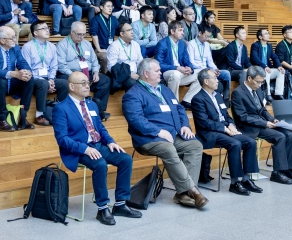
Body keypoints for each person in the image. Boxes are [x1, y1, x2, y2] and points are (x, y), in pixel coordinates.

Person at [52, 70, 140, 225]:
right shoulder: (61, 108)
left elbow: (100, 128)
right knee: (100, 165)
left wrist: (111, 142)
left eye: (88, 83)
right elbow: (62, 139)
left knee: (125, 159)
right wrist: (84, 149)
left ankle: (120, 204)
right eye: (83, 83)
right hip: (78, 150)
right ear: (71, 86)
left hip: (98, 144)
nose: (87, 86)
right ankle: (103, 208)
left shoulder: (92, 104)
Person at [122, 59, 208, 210]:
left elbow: (180, 109)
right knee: (168, 149)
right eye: (157, 71)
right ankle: (193, 191)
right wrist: (157, 131)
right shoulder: (133, 94)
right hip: (149, 139)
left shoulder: (164, 89)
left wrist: (185, 126)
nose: (160, 73)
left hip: (172, 136)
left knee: (195, 145)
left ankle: (182, 193)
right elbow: (136, 120)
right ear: (146, 74)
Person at [191, 69, 261, 195]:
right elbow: (204, 123)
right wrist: (225, 129)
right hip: (209, 134)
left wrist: (231, 125)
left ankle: (246, 179)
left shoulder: (217, 95)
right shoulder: (197, 99)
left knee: (250, 142)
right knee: (235, 144)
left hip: (225, 130)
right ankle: (234, 183)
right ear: (206, 81)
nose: (217, 80)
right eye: (214, 78)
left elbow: (226, 115)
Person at [230, 66, 292, 185]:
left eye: (262, 82)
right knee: (280, 137)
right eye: (258, 82)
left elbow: (262, 110)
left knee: (288, 134)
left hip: (262, 123)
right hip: (250, 127)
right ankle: (278, 172)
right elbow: (243, 117)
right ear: (249, 78)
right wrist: (264, 123)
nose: (260, 85)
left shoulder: (258, 89)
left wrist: (272, 119)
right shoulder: (238, 93)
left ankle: (288, 169)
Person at [57, 22, 112, 119]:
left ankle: (98, 110)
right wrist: (75, 76)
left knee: (105, 80)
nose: (81, 37)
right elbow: (61, 66)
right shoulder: (62, 45)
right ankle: (75, 112)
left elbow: (94, 61)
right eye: (79, 34)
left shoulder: (86, 44)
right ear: (71, 32)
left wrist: (96, 72)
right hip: (70, 74)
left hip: (87, 74)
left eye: (84, 34)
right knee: (68, 82)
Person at [21, 21, 69, 126]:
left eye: (47, 28)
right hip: (33, 79)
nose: (47, 30)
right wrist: (46, 81)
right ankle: (39, 115)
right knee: (43, 84)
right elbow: (27, 69)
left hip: (48, 78)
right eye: (43, 28)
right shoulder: (27, 47)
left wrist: (51, 79)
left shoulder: (52, 46)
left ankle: (58, 111)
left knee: (65, 83)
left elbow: (54, 66)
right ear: (35, 33)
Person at [155, 20, 199, 102]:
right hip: (167, 72)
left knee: (202, 73)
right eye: (180, 30)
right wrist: (177, 68)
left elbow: (187, 60)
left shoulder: (182, 44)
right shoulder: (162, 43)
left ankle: (187, 101)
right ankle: (173, 102)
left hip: (181, 73)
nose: (183, 33)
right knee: (175, 74)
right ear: (172, 31)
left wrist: (189, 68)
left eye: (183, 30)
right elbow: (159, 65)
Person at [187, 26, 231, 99]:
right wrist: (207, 70)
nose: (207, 39)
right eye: (206, 36)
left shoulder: (207, 45)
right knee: (212, 77)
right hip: (198, 70)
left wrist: (216, 69)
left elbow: (210, 62)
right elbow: (191, 62)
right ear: (200, 33)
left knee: (226, 73)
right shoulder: (191, 44)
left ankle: (226, 98)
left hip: (207, 70)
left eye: (209, 37)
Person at [250, 28, 285, 102]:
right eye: (266, 33)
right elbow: (254, 57)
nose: (268, 35)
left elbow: (274, 57)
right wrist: (264, 66)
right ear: (260, 37)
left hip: (267, 68)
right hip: (258, 69)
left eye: (268, 33)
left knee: (280, 72)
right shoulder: (255, 45)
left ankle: (278, 94)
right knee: (267, 72)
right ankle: (267, 94)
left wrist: (279, 66)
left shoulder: (269, 45)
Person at [107, 22, 143, 93]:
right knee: (132, 82)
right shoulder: (114, 46)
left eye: (132, 29)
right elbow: (111, 67)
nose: (132, 32)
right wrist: (129, 74)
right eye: (129, 30)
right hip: (122, 76)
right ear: (122, 34)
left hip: (136, 74)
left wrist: (142, 73)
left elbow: (140, 61)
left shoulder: (136, 45)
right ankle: (131, 103)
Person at [89, 0, 118, 73]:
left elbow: (119, 32)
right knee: (105, 57)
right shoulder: (96, 19)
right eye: (108, 6)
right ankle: (105, 75)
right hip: (100, 49)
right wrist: (99, 49)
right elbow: (94, 34)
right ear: (101, 7)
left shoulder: (113, 19)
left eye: (111, 6)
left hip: (112, 48)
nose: (110, 8)